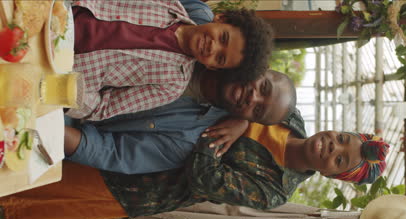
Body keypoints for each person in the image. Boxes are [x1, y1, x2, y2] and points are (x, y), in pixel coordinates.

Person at [0, 107, 389, 219]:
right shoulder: (289, 112)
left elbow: (207, 178)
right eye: (340, 138)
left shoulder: (274, 190)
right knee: (38, 129)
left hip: (134, 181)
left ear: (333, 174)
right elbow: (249, 88)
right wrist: (241, 117)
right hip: (145, 123)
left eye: (339, 159)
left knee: (30, 180)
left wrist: (234, 124)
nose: (331, 146)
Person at [66, 1, 273, 121]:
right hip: (58, 14)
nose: (213, 46)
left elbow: (104, 107)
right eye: (223, 38)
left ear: (212, 67)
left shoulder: (172, 86)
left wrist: (67, 91)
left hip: (61, 71)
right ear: (221, 19)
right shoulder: (167, 4)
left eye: (220, 57)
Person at [64, 69, 295, 174]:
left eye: (257, 110)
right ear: (261, 67)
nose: (252, 97)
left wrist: (54, 131)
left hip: (65, 113)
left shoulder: (193, 140)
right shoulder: (212, 42)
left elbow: (113, 152)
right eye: (263, 87)